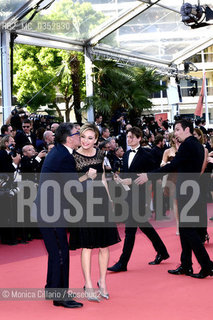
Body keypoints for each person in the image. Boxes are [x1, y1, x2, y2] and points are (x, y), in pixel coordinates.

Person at [135, 119, 213, 279]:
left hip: (187, 190)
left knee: (187, 229)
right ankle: (186, 265)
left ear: (187, 130)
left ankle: (207, 265)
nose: (175, 133)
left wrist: (148, 175)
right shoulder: (198, 145)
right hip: (193, 188)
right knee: (185, 229)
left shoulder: (187, 145)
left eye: (177, 129)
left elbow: (173, 165)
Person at [69, 123, 121, 301]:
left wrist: (110, 200)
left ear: (96, 140)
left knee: (104, 245)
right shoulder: (73, 156)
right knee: (87, 246)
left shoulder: (100, 154)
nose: (85, 141)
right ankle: (88, 284)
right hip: (82, 203)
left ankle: (103, 281)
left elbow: (104, 179)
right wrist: (85, 176)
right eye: (83, 137)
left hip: (101, 201)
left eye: (90, 138)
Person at [107, 127, 169, 273]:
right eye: (128, 137)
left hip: (140, 195)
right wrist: (120, 179)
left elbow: (155, 172)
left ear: (140, 138)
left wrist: (137, 178)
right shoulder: (127, 153)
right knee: (145, 227)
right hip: (128, 195)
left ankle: (123, 263)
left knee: (130, 230)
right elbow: (127, 174)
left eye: (132, 137)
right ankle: (163, 251)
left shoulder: (147, 154)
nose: (129, 139)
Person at [35, 122, 83, 308]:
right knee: (61, 251)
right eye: (78, 133)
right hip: (51, 212)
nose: (80, 136)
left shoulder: (59, 152)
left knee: (56, 252)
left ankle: (52, 289)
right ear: (69, 138)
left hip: (47, 209)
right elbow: (74, 188)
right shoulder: (64, 157)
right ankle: (60, 296)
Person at [161, 132, 180, 235]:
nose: (176, 139)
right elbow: (162, 163)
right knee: (175, 202)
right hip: (172, 178)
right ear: (172, 139)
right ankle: (178, 226)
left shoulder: (184, 150)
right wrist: (166, 163)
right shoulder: (167, 151)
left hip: (183, 177)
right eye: (174, 138)